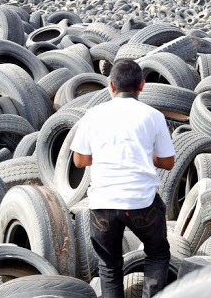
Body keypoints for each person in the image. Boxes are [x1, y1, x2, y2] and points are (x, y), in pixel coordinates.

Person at [70, 60, 175, 298]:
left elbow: (79, 161)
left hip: (103, 204)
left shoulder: (93, 115)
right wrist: (147, 157)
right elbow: (168, 163)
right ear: (142, 85)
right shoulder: (153, 116)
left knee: (109, 266)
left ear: (111, 86)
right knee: (157, 254)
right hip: (142, 202)